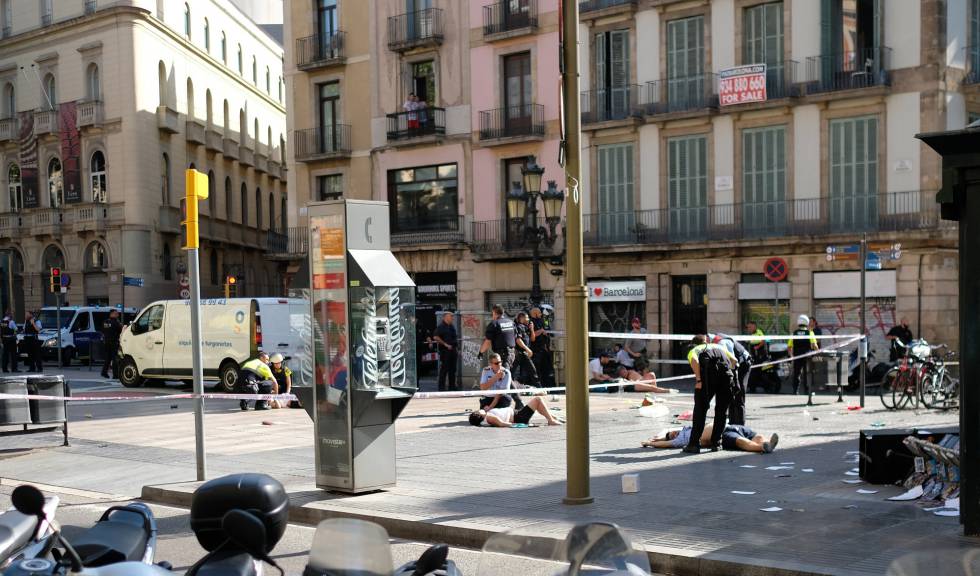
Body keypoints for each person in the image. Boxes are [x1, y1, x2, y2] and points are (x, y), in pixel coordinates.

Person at [683, 334, 738, 454]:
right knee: (722, 411)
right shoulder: (719, 347)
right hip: (727, 376)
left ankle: (694, 444)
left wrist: (698, 380)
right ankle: (716, 443)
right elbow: (734, 361)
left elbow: (694, 360)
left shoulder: (694, 350)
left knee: (700, 410)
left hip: (708, 378)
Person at [642, 424, 779, 454]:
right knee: (741, 442)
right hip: (722, 434)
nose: (671, 434)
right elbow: (667, 444)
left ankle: (767, 442)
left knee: (758, 436)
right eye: (670, 435)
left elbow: (665, 430)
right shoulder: (684, 438)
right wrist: (650, 443)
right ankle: (762, 447)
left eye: (671, 433)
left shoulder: (685, 428)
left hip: (730, 426)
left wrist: (661, 434)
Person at [710, 333, 752, 425]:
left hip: (743, 364)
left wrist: (733, 380)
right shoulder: (712, 343)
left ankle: (740, 425)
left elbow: (732, 362)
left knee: (739, 393)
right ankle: (732, 423)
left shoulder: (723, 343)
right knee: (730, 394)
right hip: (734, 365)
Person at [468, 395, 563, 427]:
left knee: (537, 405)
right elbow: (500, 423)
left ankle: (551, 417)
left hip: (517, 414)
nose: (479, 410)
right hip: (518, 417)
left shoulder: (487, 417)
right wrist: (513, 425)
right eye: (478, 411)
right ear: (479, 414)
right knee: (537, 400)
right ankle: (551, 420)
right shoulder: (488, 417)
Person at [788, 314, 818, 396]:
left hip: (797, 356)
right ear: (807, 323)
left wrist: (791, 356)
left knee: (797, 373)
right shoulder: (810, 333)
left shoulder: (794, 333)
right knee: (807, 373)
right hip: (807, 357)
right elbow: (815, 345)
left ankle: (795, 391)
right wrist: (818, 352)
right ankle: (807, 391)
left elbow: (789, 347)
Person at [479, 305, 517, 370]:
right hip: (512, 353)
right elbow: (515, 337)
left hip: (501, 354)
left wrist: (481, 352)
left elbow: (488, 342)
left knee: (503, 375)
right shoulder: (511, 322)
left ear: (494, 312)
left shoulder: (494, 324)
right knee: (507, 373)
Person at [431, 311, 458, 392]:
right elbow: (435, 337)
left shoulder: (452, 326)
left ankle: (452, 387)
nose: (452, 318)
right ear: (445, 317)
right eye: (451, 316)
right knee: (444, 369)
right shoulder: (441, 326)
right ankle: (441, 388)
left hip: (453, 351)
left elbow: (454, 339)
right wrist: (445, 344)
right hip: (445, 351)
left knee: (453, 370)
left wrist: (457, 349)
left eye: (452, 316)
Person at [512, 312, 540, 387]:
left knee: (531, 370)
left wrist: (532, 329)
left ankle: (538, 387)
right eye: (526, 317)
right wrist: (527, 349)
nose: (528, 319)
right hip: (519, 352)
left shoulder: (526, 327)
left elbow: (533, 339)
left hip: (525, 353)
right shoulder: (518, 327)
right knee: (512, 370)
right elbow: (518, 340)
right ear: (521, 318)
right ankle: (509, 387)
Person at [529, 307, 553, 387]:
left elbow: (545, 330)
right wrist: (541, 331)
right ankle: (538, 386)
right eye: (539, 313)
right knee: (537, 370)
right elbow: (532, 335)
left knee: (546, 369)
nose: (541, 314)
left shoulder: (541, 321)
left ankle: (547, 386)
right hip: (535, 350)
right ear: (535, 313)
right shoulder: (531, 322)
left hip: (543, 349)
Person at [100, 309, 122, 379]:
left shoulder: (105, 322)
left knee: (108, 358)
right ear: (111, 314)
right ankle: (115, 375)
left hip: (106, 342)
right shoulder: (116, 322)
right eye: (116, 314)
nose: (117, 315)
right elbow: (120, 330)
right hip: (114, 342)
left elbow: (102, 330)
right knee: (115, 359)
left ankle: (104, 372)